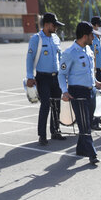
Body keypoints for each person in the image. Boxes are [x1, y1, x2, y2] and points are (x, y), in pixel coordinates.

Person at [58, 21, 101, 166]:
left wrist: (95, 82)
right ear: (85, 36)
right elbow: (61, 74)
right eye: (92, 35)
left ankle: (80, 149)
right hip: (77, 92)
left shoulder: (88, 50)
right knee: (84, 125)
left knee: (87, 121)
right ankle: (92, 153)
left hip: (90, 90)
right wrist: (64, 91)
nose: (94, 38)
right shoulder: (70, 53)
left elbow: (89, 71)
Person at [26, 12, 66, 145]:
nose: (56, 28)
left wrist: (63, 74)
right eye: (55, 25)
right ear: (48, 24)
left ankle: (55, 131)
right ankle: (42, 135)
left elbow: (59, 58)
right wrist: (30, 77)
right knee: (45, 105)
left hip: (56, 77)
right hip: (43, 78)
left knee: (57, 105)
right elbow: (29, 58)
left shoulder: (56, 38)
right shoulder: (36, 39)